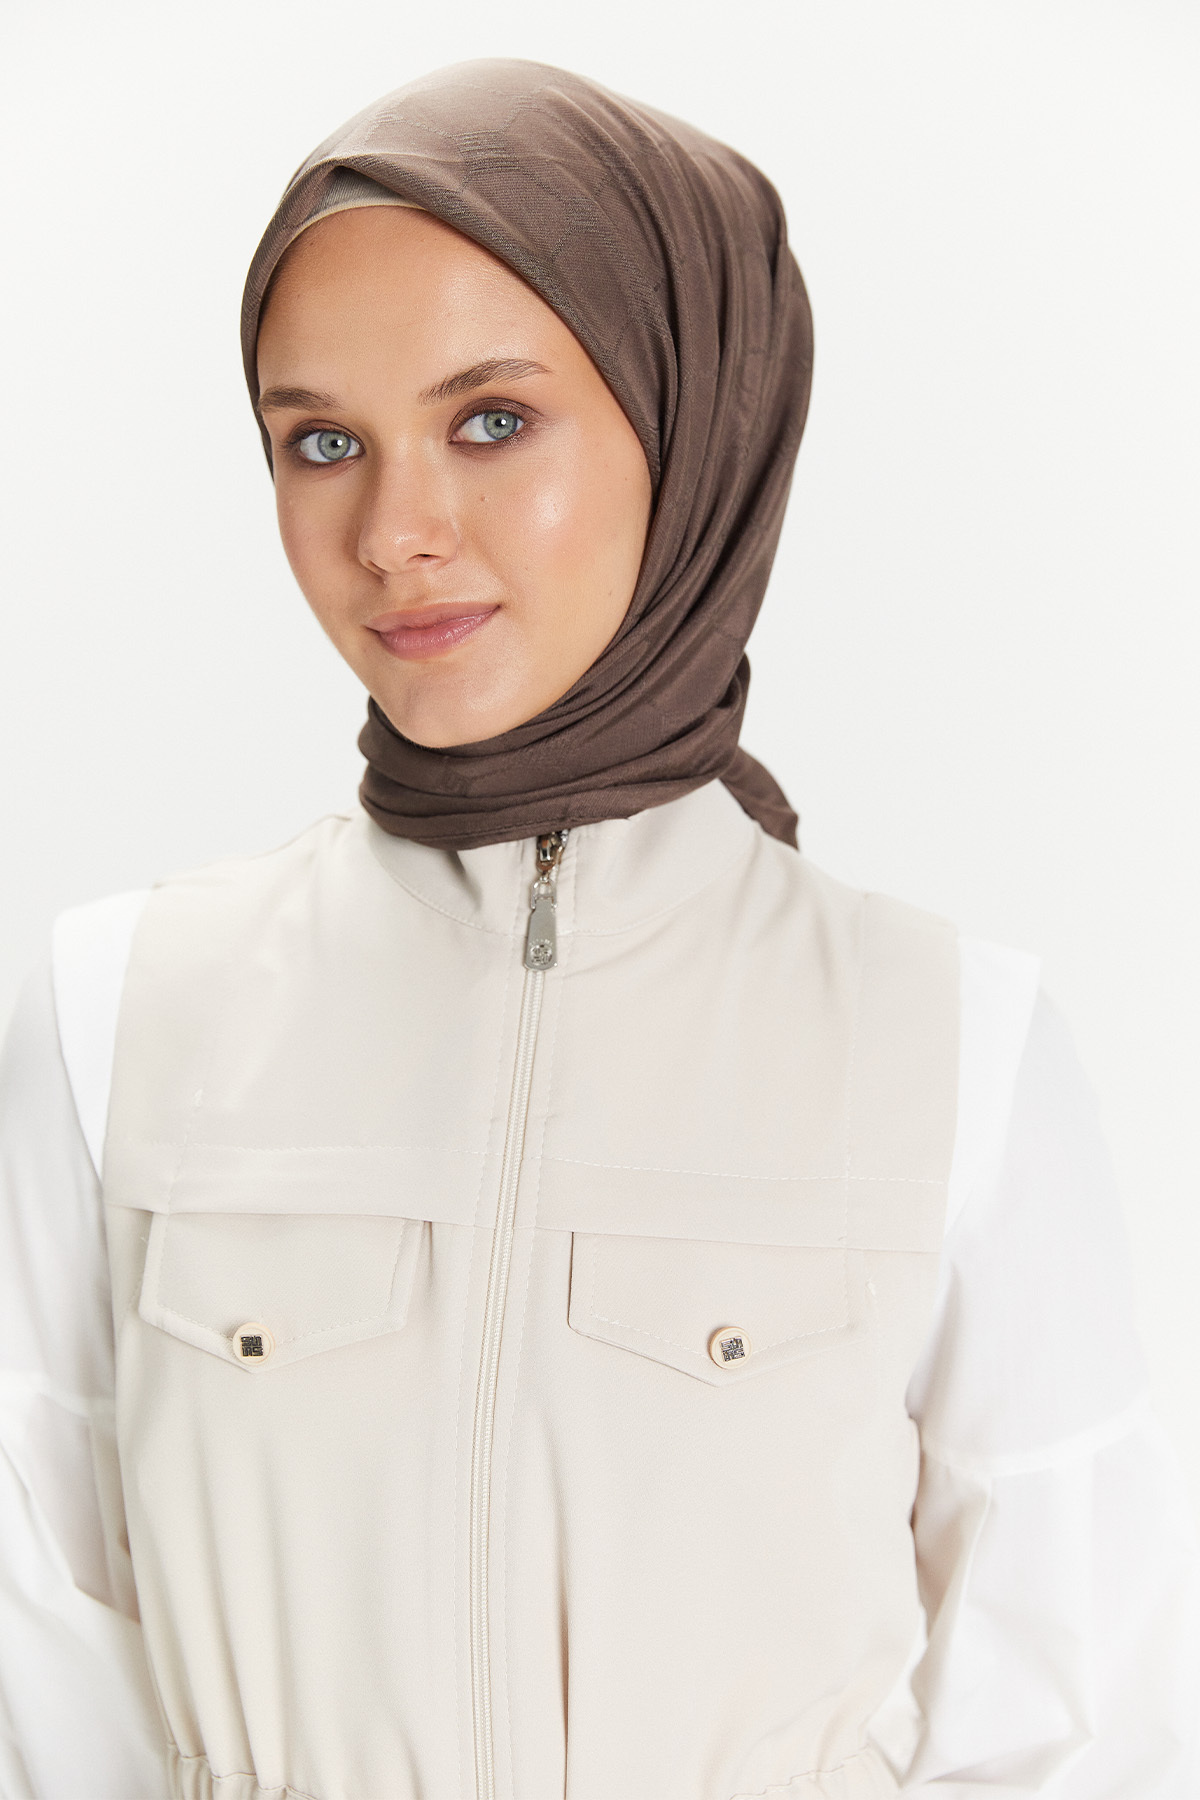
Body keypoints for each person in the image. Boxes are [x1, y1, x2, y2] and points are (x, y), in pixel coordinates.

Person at [0, 57, 1196, 1800]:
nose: (395, 533)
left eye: (492, 420)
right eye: (322, 442)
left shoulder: (954, 1043)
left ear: (690, 420)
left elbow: (1074, 1730)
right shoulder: (121, 1012)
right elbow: (46, 1650)